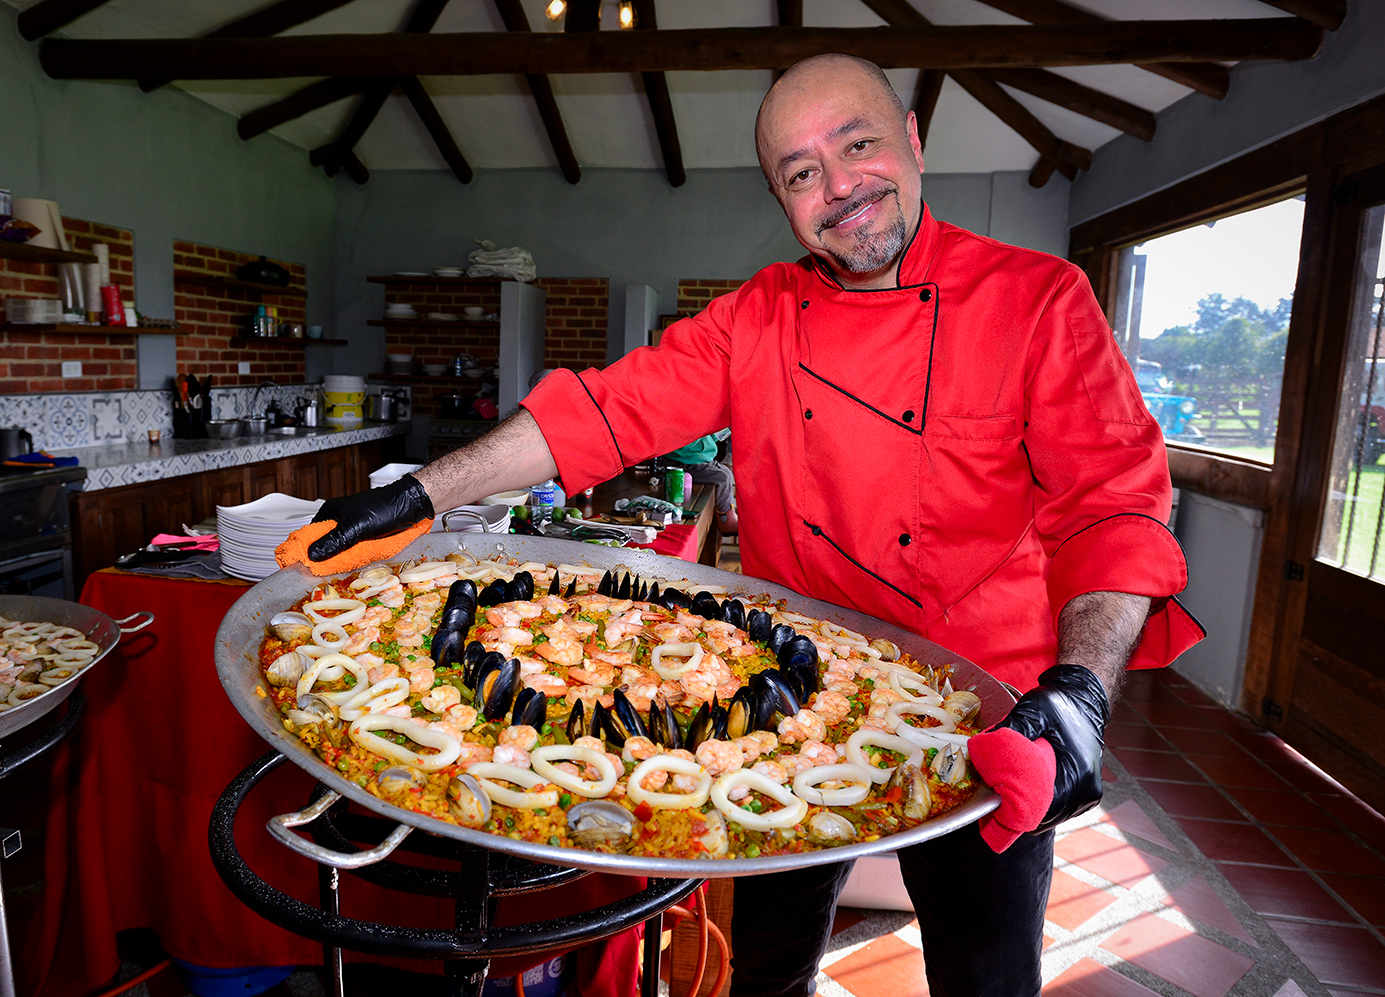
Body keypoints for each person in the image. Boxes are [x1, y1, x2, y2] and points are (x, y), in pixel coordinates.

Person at [307, 54, 1203, 997]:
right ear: (781, 199)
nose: (838, 187)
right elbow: (601, 412)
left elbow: (1111, 503)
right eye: (799, 172)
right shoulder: (758, 317)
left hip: (987, 713)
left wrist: (1078, 695)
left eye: (855, 144)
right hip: (787, 702)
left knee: (985, 974)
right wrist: (419, 495)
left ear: (911, 140)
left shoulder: (1038, 298)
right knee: (763, 968)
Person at [663, 433, 738, 533]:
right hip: (685, 462)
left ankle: (729, 512)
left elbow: (714, 435)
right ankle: (725, 517)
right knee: (722, 478)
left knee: (727, 472)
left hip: (703, 458)